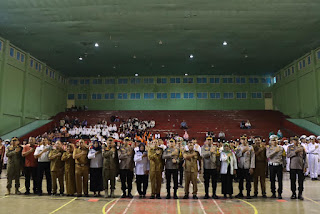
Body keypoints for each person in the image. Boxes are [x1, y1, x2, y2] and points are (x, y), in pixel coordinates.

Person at [266, 135, 286, 199]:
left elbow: (283, 157)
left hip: (279, 165)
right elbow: (268, 156)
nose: (275, 141)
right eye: (273, 140)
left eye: (276, 140)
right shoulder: (269, 148)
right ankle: (273, 193)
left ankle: (280, 193)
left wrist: (284, 166)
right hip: (272, 165)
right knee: (272, 180)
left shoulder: (281, 148)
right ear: (270, 141)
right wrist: (275, 151)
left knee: (280, 180)